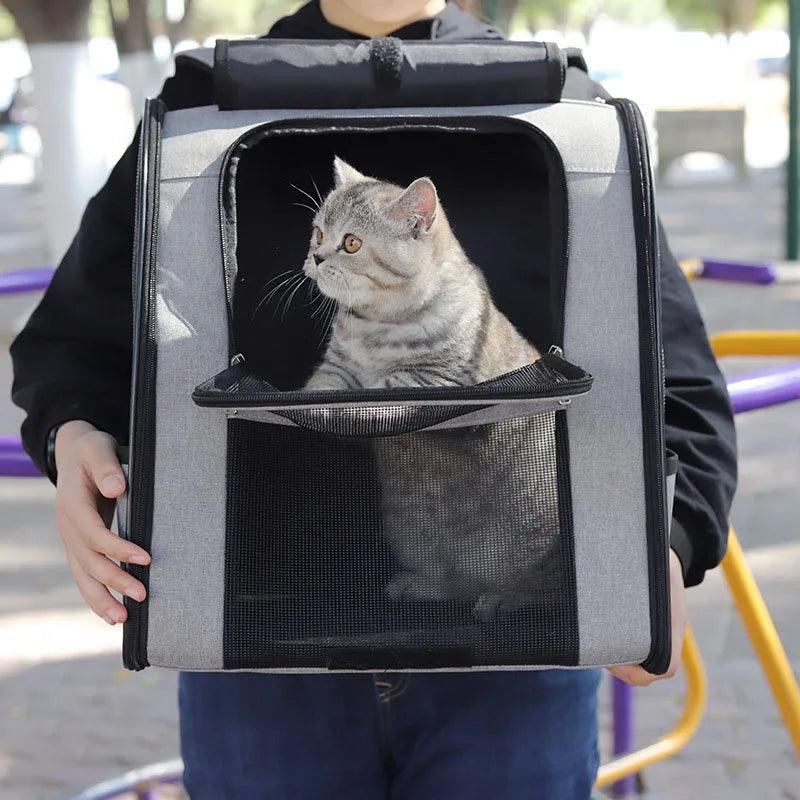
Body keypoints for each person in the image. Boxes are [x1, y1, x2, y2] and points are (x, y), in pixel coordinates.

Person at [10, 1, 737, 797]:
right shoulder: (201, 106)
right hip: (255, 645)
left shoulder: (568, 109)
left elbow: (681, 386)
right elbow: (70, 344)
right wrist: (75, 440)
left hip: (520, 644)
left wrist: (667, 540)